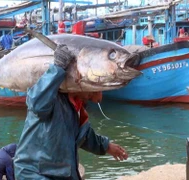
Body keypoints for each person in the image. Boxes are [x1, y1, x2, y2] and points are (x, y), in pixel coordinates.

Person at [14, 44, 128, 179]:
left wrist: (106, 146)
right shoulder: (52, 97)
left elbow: (84, 136)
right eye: (94, 90)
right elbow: (36, 104)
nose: (97, 97)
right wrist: (57, 68)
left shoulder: (77, 108)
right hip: (35, 174)